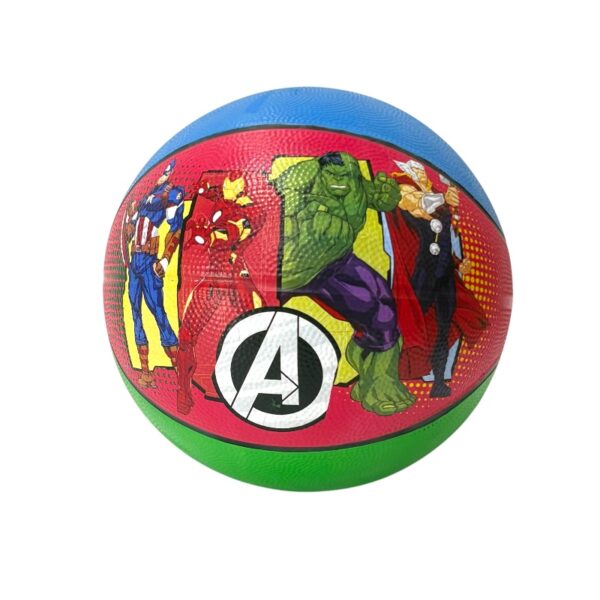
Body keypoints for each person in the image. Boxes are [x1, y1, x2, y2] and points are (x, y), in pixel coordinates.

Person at [123, 160, 184, 388]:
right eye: (163, 171)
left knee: (159, 312)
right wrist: (129, 222)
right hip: (135, 262)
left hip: (150, 262)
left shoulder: (172, 195)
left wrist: (166, 260)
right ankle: (146, 373)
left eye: (167, 171)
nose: (162, 175)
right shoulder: (144, 196)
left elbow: (175, 228)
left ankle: (180, 373)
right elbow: (129, 230)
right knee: (135, 312)